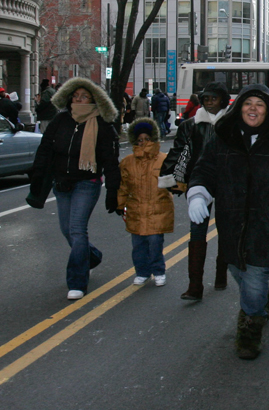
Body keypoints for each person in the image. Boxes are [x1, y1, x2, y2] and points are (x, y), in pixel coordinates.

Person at [187, 83, 269, 360]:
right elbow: (205, 169)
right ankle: (260, 299)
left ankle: (250, 327)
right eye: (248, 103)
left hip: (267, 220)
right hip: (231, 219)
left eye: (259, 105)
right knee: (238, 268)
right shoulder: (223, 137)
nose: (253, 109)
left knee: (255, 276)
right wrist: (198, 195)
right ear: (239, 108)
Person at [28, 77, 120, 300]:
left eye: (84, 96)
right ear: (70, 97)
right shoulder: (61, 121)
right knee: (67, 231)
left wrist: (113, 192)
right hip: (62, 183)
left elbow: (110, 161)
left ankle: (77, 281)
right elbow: (45, 150)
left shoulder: (102, 125)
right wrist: (37, 178)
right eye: (76, 96)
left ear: (94, 99)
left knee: (78, 229)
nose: (79, 99)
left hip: (87, 183)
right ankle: (92, 257)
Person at [160, 81, 231, 300]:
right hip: (199, 182)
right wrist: (172, 177)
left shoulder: (232, 123)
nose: (210, 103)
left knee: (226, 230)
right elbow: (180, 151)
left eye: (214, 98)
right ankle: (195, 285)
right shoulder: (190, 124)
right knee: (197, 231)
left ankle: (221, 275)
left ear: (223, 100)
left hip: (228, 182)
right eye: (206, 99)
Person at [117, 118, 174, 286]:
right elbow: (123, 186)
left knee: (155, 243)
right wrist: (120, 204)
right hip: (136, 209)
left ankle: (158, 270)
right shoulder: (128, 162)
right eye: (140, 140)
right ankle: (141, 271)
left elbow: (175, 181)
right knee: (138, 245)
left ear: (153, 139)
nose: (143, 143)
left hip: (158, 208)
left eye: (147, 139)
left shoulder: (163, 159)